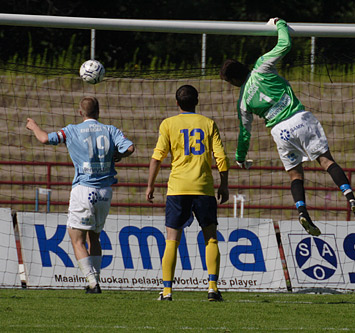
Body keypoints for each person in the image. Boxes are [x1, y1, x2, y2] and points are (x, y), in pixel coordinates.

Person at [220, 18, 355, 236]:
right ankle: (351, 198)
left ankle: (302, 212)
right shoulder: (262, 65)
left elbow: (244, 133)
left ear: (233, 81)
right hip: (300, 118)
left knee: (296, 175)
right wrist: (280, 23)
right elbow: (285, 45)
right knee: (326, 161)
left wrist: (241, 158)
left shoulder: (243, 101)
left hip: (279, 132)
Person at [26, 96, 135, 293]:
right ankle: (95, 280)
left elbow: (44, 138)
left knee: (76, 238)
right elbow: (130, 147)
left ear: (80, 112)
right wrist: (119, 155)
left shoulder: (72, 130)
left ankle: (92, 283)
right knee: (95, 237)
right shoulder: (110, 130)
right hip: (104, 192)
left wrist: (33, 126)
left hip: (84, 189)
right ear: (98, 112)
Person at [146, 85, 229, 302]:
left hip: (177, 189)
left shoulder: (168, 124)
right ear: (197, 101)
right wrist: (224, 184)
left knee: (172, 240)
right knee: (210, 237)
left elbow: (157, 157)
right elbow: (220, 157)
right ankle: (212, 288)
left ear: (176, 103)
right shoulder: (208, 123)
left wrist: (150, 185)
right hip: (203, 188)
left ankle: (167, 291)